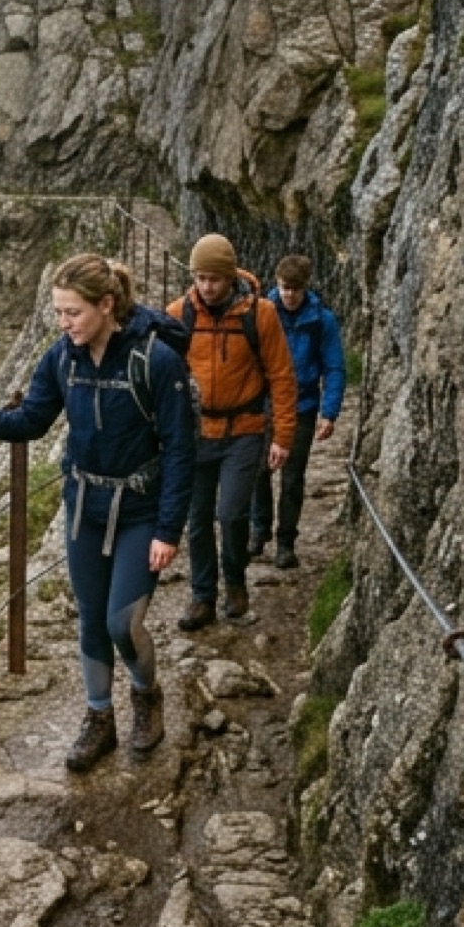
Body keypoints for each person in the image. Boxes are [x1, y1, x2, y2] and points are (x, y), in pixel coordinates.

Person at [0, 253, 194, 774]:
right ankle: (99, 718)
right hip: (85, 507)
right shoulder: (62, 358)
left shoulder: (156, 360)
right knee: (91, 622)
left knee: (124, 623)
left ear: (106, 305)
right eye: (58, 313)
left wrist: (169, 529)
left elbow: (180, 448)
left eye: (72, 312)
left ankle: (146, 695)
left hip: (141, 509)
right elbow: (33, 418)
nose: (63, 323)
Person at [166, 233, 297, 630]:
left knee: (232, 512)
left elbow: (281, 376)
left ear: (230, 276)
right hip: (196, 432)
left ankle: (236, 584)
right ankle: (203, 596)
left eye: (215, 279)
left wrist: (283, 437)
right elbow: (164, 378)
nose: (207, 286)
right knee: (198, 516)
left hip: (245, 429)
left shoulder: (261, 314)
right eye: (201, 278)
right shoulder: (178, 315)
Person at [249, 254, 346, 569]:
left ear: (305, 287)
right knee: (258, 470)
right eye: (284, 287)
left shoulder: (322, 321)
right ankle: (259, 529)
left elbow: (333, 367)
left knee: (292, 477)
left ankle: (286, 541)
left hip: (302, 405)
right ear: (276, 284)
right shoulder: (262, 312)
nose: (289, 294)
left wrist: (329, 412)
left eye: (295, 288)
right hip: (264, 402)